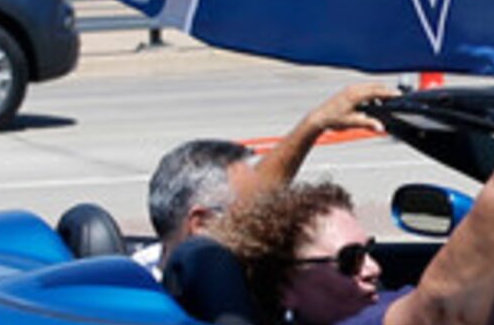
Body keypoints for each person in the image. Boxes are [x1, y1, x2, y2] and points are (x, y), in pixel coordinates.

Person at [224, 104, 494, 325]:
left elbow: (477, 311)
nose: (373, 268)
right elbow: (444, 313)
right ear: (286, 288)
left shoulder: (377, 306)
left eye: (368, 251)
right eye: (349, 260)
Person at [133, 79, 398, 270]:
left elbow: (258, 192)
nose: (268, 224)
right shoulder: (143, 306)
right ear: (202, 224)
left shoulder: (159, 267)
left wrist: (314, 124)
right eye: (255, 216)